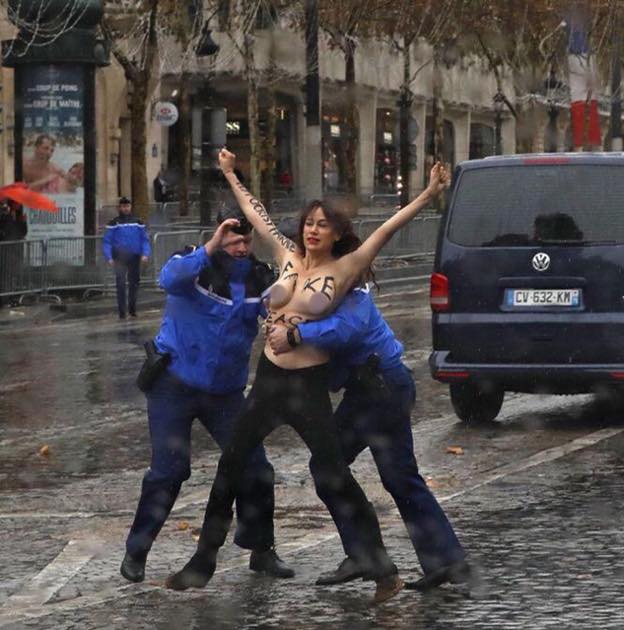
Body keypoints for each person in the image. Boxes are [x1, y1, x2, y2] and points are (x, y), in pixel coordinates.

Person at [164, 148, 449, 603]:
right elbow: (254, 212)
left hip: (308, 386)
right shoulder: (286, 255)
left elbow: (388, 227)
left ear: (337, 234)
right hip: (268, 381)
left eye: (323, 225)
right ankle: (203, 561)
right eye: (309, 223)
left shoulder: (347, 268)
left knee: (334, 474)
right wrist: (230, 173)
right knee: (229, 465)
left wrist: (429, 194)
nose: (313, 230)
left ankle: (381, 568)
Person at [266, 284, 475, 591]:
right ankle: (446, 559)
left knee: (327, 466)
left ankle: (363, 554)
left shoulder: (347, 282)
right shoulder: (315, 285)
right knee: (400, 477)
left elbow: (346, 328)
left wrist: (296, 335)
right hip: (383, 386)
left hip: (377, 389)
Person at [121, 210, 289, 583]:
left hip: (225, 394)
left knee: (256, 468)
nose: (241, 246)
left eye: (246, 240)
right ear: (217, 234)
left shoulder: (259, 277)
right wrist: (212, 245)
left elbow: (283, 305)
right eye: (233, 238)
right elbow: (168, 278)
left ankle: (262, 550)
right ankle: (137, 551)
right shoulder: (192, 263)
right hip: (174, 385)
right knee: (169, 471)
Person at [103, 197, 151, 319]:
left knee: (134, 283)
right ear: (119, 208)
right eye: (123, 206)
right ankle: (122, 312)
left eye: (127, 206)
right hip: (119, 257)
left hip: (134, 256)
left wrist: (145, 253)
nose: (125, 209)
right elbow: (107, 241)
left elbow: (144, 240)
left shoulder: (138, 222)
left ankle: (132, 308)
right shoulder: (114, 223)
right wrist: (109, 257)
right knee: (120, 283)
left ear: (130, 207)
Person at [0, 202, 28, 307]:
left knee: (13, 275)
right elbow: (4, 231)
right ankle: (4, 299)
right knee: (6, 276)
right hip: (6, 251)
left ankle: (10, 297)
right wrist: (7, 216)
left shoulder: (17, 217)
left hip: (15, 251)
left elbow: (23, 232)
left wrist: (24, 222)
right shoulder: (5, 217)